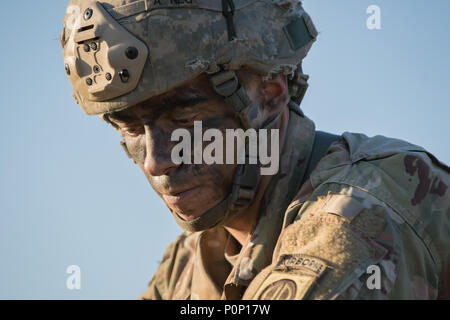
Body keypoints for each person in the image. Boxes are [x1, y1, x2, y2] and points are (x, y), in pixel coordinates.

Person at [60, 0, 449, 299]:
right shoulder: (193, 260)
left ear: (270, 93)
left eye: (184, 120)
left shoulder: (357, 214)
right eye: (130, 127)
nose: (156, 161)